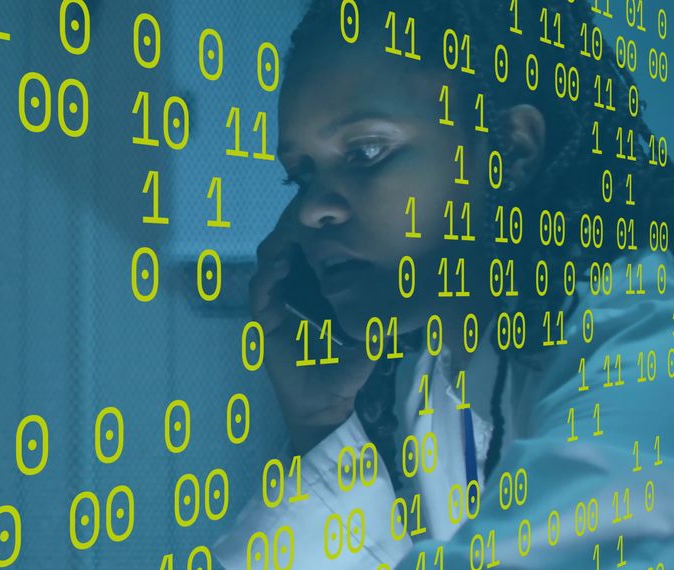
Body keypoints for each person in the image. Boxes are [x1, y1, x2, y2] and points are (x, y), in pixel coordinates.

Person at [212, 0, 674, 567]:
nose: (310, 211)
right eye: (301, 174)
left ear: (510, 150)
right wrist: (322, 426)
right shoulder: (429, 381)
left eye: (365, 152)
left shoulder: (651, 322)